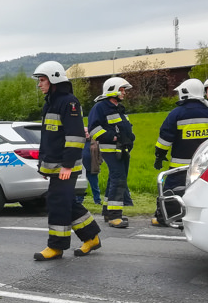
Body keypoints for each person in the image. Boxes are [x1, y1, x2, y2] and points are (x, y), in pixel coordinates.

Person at [31, 61, 101, 260]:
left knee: (57, 204)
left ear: (53, 79)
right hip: (55, 165)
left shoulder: (69, 102)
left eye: (42, 80)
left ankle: (56, 246)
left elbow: (76, 136)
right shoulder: (51, 103)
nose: (39, 84)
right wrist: (44, 167)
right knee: (67, 202)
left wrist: (68, 166)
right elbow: (49, 139)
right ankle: (92, 237)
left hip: (66, 166)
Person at [153, 78, 208, 226]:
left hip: (179, 163)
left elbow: (165, 138)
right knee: (201, 189)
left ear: (185, 93)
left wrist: (159, 155)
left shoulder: (176, 113)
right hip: (204, 164)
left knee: (171, 189)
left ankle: (165, 217)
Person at [87, 77, 135, 228]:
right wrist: (113, 136)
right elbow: (93, 129)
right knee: (118, 178)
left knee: (114, 179)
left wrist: (129, 137)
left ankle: (108, 211)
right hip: (110, 149)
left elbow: (123, 127)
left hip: (121, 149)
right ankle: (115, 216)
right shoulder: (100, 107)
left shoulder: (118, 107)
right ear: (112, 90)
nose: (124, 93)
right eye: (121, 90)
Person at [76, 127, 102, 206]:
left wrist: (99, 162)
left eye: (87, 132)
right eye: (84, 132)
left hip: (92, 167)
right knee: (80, 186)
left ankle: (97, 200)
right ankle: (79, 201)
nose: (86, 134)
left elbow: (100, 153)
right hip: (81, 168)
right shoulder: (79, 143)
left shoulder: (95, 142)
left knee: (95, 186)